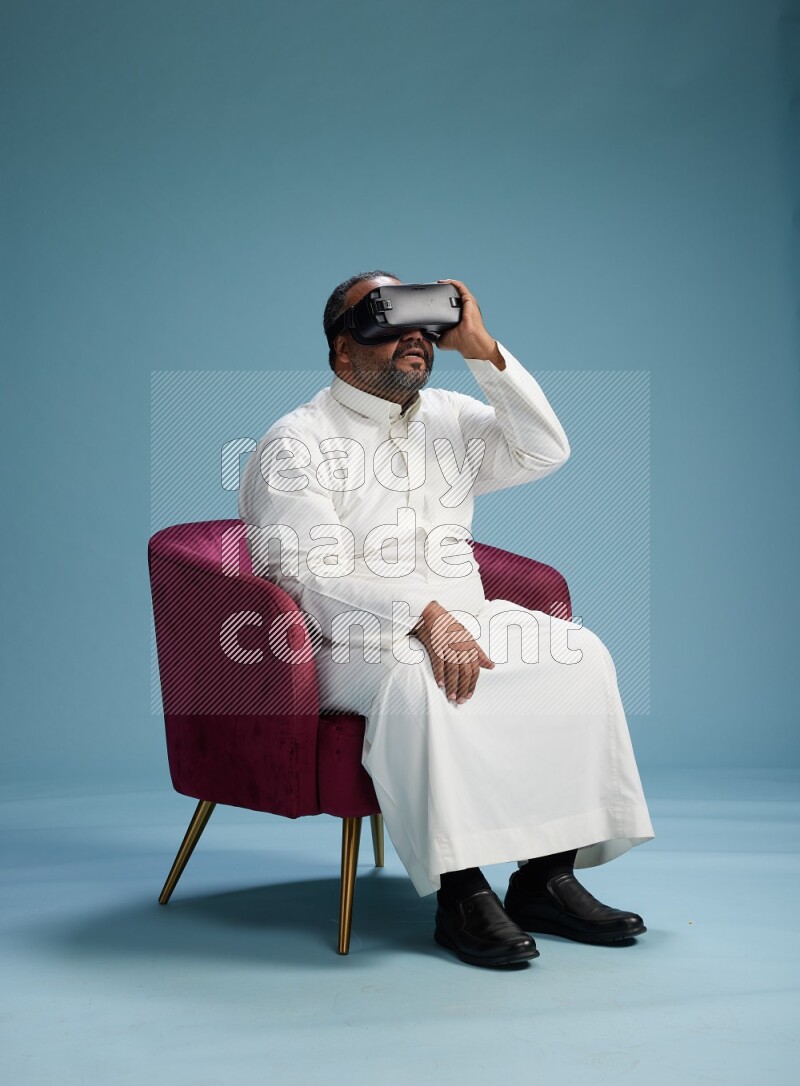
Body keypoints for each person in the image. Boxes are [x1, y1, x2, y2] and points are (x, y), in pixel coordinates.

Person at [238, 270, 655, 968]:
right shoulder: (297, 442)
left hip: (465, 613)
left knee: (578, 655)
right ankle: (461, 893)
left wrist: (483, 348)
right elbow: (306, 575)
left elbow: (542, 450)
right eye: (388, 320)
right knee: (421, 679)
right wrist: (419, 615)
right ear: (344, 350)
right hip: (351, 637)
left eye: (423, 324)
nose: (415, 340)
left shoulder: (451, 417)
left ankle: (546, 877)